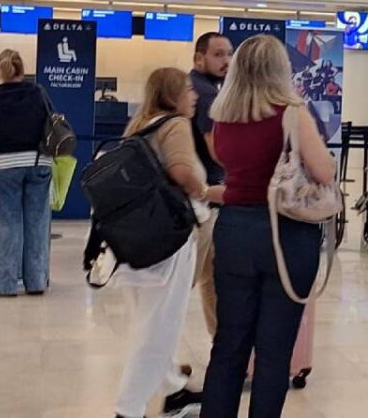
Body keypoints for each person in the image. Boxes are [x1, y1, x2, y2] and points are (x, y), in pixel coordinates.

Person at [202, 35, 336, 418]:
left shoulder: (223, 117)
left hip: (233, 231)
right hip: (285, 236)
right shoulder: (292, 112)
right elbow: (323, 170)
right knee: (274, 352)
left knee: (229, 345)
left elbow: (234, 174)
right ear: (281, 69)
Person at [112, 68, 218, 418]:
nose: (195, 95)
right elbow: (181, 171)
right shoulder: (175, 125)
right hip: (167, 242)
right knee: (158, 328)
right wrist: (206, 191)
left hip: (135, 241)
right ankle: (129, 408)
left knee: (148, 320)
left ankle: (172, 391)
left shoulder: (141, 125)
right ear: (173, 94)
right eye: (188, 89)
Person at [0, 49, 52, 297]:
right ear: (22, 70)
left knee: (9, 223)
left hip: (6, 164)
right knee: (37, 222)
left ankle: (5, 284)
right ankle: (36, 282)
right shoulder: (38, 93)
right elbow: (50, 121)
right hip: (38, 161)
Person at [189, 32, 233, 338]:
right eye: (218, 54)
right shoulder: (206, 94)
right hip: (205, 201)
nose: (226, 61)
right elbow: (217, 148)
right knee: (202, 279)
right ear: (199, 57)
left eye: (228, 54)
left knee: (210, 279)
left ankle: (223, 349)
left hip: (196, 199)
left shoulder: (193, 88)